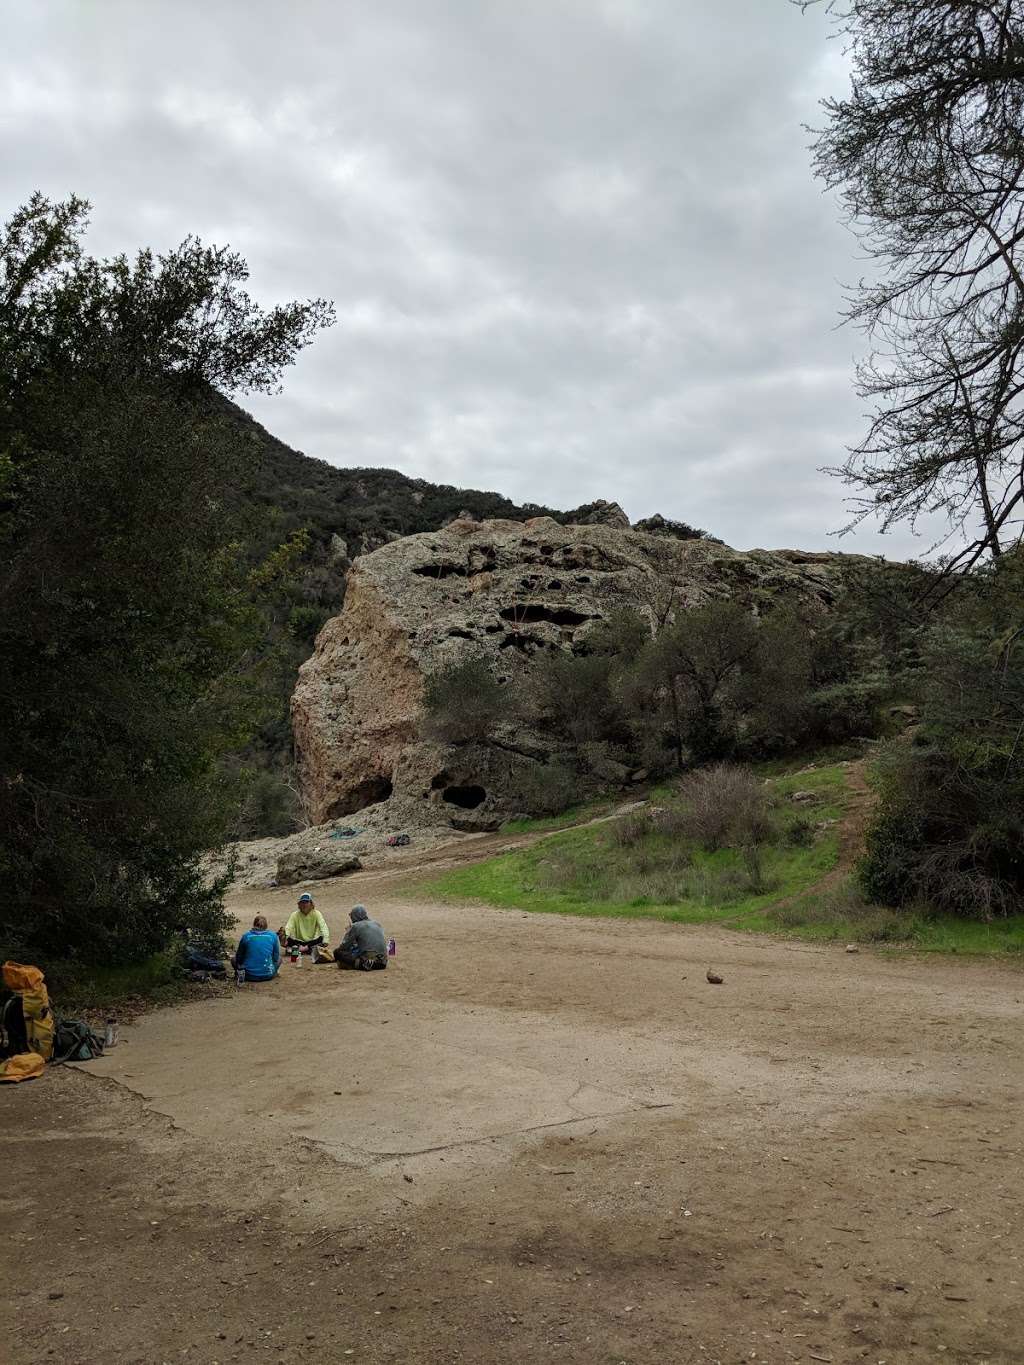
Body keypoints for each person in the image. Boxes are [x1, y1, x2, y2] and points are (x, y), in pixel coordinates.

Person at [334, 904, 388, 971]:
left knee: (337, 952)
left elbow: (344, 947)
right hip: (383, 962)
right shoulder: (377, 924)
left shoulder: (356, 926)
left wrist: (348, 932)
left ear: (355, 915)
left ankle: (362, 964)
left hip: (368, 961)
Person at [231, 915, 281, 982]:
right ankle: (272, 972)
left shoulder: (246, 936)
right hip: (268, 975)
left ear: (254, 924)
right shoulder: (273, 936)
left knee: (233, 959)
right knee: (279, 959)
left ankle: (239, 974)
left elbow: (239, 957)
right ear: (266, 925)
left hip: (248, 975)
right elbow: (276, 957)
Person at [283, 892, 331, 957]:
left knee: (321, 939)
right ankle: (305, 950)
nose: (304, 905)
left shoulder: (317, 913)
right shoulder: (294, 915)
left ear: (311, 903)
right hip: (299, 942)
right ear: (299, 904)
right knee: (286, 938)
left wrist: (325, 940)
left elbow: (323, 927)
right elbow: (288, 927)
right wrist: (285, 938)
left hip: (312, 941)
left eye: (306, 902)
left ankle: (298, 950)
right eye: (302, 903)